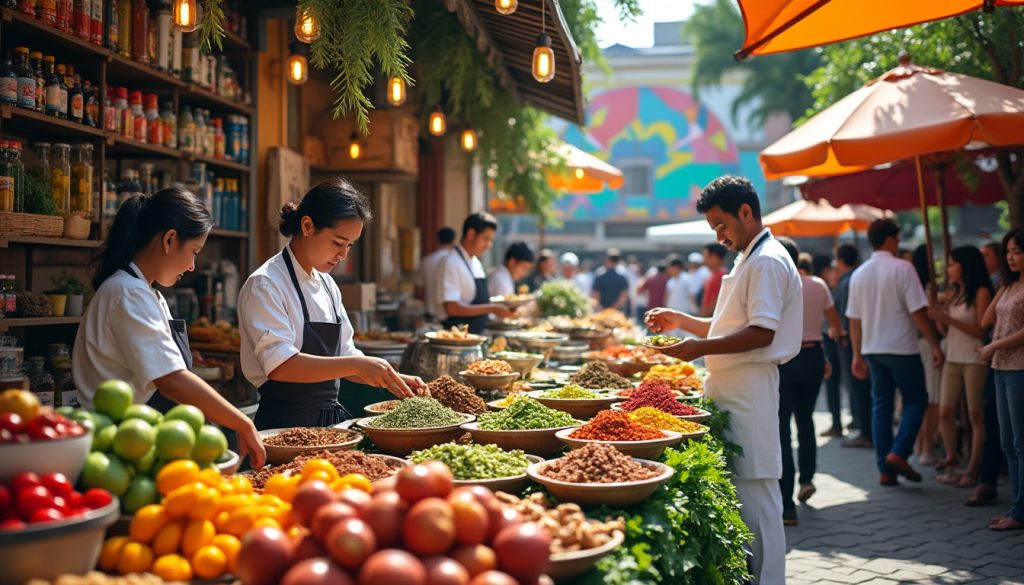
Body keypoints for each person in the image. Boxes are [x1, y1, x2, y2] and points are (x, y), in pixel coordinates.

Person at [646, 176, 801, 584]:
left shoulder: (767, 259)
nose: (719, 235)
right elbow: (728, 325)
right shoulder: (751, 256)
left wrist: (699, 349)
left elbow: (762, 333)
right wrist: (681, 321)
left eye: (721, 224)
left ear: (745, 213)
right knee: (745, 493)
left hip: (750, 388)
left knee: (759, 496)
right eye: (714, 228)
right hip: (734, 388)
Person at [73, 187, 266, 468]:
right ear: (170, 239)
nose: (192, 266)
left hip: (143, 440)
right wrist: (242, 424)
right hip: (120, 449)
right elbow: (171, 380)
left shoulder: (147, 293)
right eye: (194, 252)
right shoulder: (127, 292)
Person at [238, 177, 426, 430]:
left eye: (349, 245)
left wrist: (393, 378)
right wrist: (358, 365)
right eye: (338, 242)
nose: (343, 255)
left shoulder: (327, 284)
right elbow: (280, 366)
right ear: (307, 226)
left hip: (330, 427)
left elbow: (345, 354)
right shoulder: (266, 284)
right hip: (283, 427)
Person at [848, 219, 944, 486]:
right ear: (890, 239)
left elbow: (853, 319)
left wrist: (857, 354)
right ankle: (899, 452)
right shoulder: (903, 268)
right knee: (917, 400)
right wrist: (934, 343)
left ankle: (885, 470)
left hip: (872, 349)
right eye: (898, 238)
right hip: (901, 347)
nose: (899, 242)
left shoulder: (860, 273)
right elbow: (917, 312)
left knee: (881, 406)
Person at [776, 245, 843, 526]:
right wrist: (824, 354)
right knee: (806, 420)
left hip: (785, 359)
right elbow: (835, 327)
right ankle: (807, 479)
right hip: (814, 356)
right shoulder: (818, 284)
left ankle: (787, 505)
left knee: (782, 428)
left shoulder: (778, 285)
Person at [929, 245, 994, 487]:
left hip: (974, 359)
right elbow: (945, 332)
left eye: (952, 264)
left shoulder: (981, 292)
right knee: (945, 413)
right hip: (952, 358)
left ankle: (973, 468)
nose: (949, 269)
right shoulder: (954, 292)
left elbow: (980, 330)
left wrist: (947, 318)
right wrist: (939, 315)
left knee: (975, 416)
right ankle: (953, 458)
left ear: (964, 266)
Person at [978, 229, 1024, 531]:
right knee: (1008, 444)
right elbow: (985, 320)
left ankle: (1020, 511)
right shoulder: (1009, 285)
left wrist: (994, 345)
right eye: (1008, 251)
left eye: (1017, 251)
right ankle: (1016, 506)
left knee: (1020, 444)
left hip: (1019, 367)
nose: (1010, 256)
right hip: (1000, 369)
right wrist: (1003, 287)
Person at [437, 212, 513, 333]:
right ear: (471, 234)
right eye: (486, 239)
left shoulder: (476, 262)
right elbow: (452, 308)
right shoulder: (450, 262)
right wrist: (492, 309)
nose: (489, 245)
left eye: (491, 240)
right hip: (456, 339)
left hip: (478, 334)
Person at [833, 244, 874, 449]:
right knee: (860, 388)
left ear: (841, 260)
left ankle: (866, 432)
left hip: (851, 341)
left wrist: (844, 334)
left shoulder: (848, 281)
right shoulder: (855, 278)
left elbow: (850, 316)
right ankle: (866, 430)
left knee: (859, 387)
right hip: (855, 340)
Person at [912, 244, 943, 466]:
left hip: (914, 343)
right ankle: (926, 448)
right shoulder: (929, 287)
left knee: (924, 397)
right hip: (927, 342)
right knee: (931, 399)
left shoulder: (913, 283)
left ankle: (920, 445)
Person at [814, 253, 844, 438]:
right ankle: (836, 422)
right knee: (833, 382)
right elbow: (834, 321)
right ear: (825, 270)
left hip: (825, 340)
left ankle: (837, 423)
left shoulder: (822, 286)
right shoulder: (821, 286)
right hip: (827, 339)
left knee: (833, 383)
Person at [416, 227, 456, 321]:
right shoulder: (454, 262)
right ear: (453, 241)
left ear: (438, 240)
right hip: (449, 316)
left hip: (430, 314)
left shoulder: (426, 260)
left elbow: (419, 291)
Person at [700, 243, 728, 316]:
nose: (704, 260)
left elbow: (713, 305)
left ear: (714, 257)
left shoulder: (721, 277)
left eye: (705, 257)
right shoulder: (715, 275)